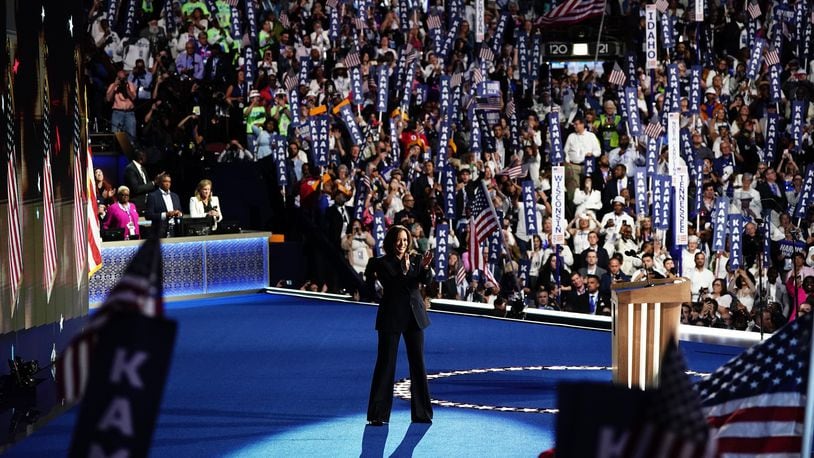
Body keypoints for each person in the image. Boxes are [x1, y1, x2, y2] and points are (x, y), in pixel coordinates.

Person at [364, 225, 434, 426]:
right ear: (390, 241)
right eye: (398, 240)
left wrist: (426, 268)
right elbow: (394, 285)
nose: (402, 244)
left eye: (405, 240)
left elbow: (425, 280)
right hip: (391, 317)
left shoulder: (416, 259)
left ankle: (422, 413)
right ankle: (378, 414)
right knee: (386, 364)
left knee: (418, 364)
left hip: (414, 317)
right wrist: (404, 270)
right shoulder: (380, 263)